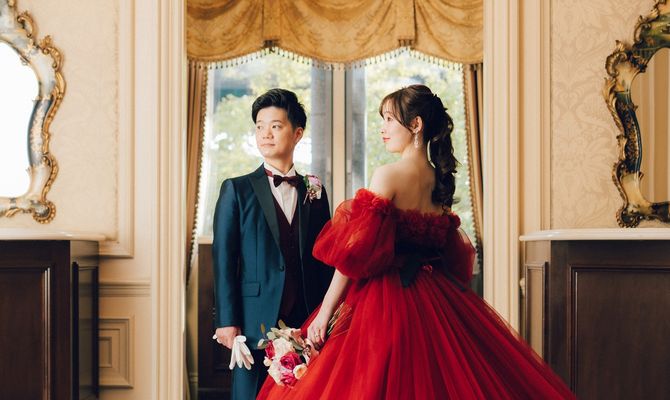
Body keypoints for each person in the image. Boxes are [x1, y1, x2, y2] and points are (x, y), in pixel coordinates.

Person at [257, 84, 575, 399]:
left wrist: (325, 313)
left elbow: (354, 254)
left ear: (416, 125)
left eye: (389, 120)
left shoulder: (389, 175)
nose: (382, 129)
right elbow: (450, 252)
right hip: (435, 294)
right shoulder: (439, 179)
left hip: (386, 298)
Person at [212, 88, 334, 400]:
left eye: (275, 126)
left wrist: (325, 316)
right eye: (259, 126)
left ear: (297, 133)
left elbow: (324, 258)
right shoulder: (236, 189)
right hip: (254, 323)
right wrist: (227, 321)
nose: (265, 134)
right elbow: (224, 260)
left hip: (306, 320)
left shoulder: (315, 191)